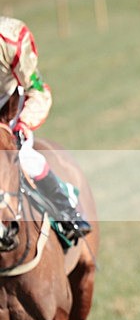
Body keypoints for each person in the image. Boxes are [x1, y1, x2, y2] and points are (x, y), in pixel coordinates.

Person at [0, 16, 91, 242]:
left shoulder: (11, 40)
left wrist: (23, 123)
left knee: (22, 156)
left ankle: (68, 212)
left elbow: (37, 90)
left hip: (10, 107)